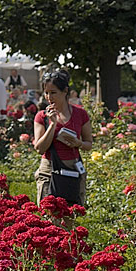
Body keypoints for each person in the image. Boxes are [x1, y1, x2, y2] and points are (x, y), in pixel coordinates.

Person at [34, 70, 93, 207]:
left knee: (69, 218)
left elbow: (89, 144)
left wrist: (78, 143)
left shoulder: (80, 114)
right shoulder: (42, 116)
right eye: (46, 92)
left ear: (65, 91)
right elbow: (40, 148)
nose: (49, 97)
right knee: (49, 220)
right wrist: (52, 124)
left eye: (53, 92)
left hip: (72, 170)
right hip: (49, 170)